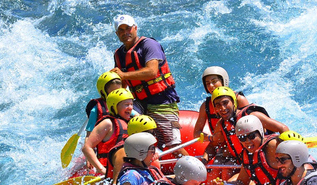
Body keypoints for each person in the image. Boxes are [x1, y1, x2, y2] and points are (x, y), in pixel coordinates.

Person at [110, 14, 188, 156]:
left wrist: (123, 75)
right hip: (139, 103)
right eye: (120, 30)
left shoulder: (149, 45)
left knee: (173, 145)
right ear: (117, 34)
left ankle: (195, 170)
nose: (125, 32)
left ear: (135, 28)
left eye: (127, 28)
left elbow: (151, 72)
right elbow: (123, 85)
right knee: (118, 121)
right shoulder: (118, 54)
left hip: (162, 101)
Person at [201, 86, 289, 181]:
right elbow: (213, 145)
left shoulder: (251, 115)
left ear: (234, 102)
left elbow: (282, 128)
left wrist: (288, 154)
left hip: (262, 159)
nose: (222, 108)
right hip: (244, 163)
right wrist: (204, 160)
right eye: (218, 105)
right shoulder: (221, 125)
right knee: (225, 174)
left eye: (226, 103)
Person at [82, 88, 132, 176]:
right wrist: (102, 170)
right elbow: (87, 148)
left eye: (132, 104)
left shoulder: (131, 123)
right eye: (126, 104)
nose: (130, 107)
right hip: (107, 171)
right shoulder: (107, 123)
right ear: (114, 107)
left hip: (126, 170)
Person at [193, 66, 250, 139]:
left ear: (223, 81)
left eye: (214, 81)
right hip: (221, 144)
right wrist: (212, 138)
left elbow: (251, 124)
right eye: (208, 83)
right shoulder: (205, 106)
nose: (211, 86)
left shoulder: (239, 99)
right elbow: (196, 133)